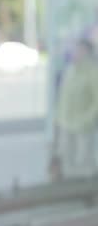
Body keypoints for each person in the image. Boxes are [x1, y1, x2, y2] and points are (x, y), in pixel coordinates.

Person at [51, 39, 98, 179]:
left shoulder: (93, 72)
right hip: (65, 124)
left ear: (87, 52)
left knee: (84, 163)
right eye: (75, 49)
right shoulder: (70, 70)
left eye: (79, 50)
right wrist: (57, 120)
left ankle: (87, 192)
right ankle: (71, 190)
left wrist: (88, 118)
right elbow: (62, 97)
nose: (76, 53)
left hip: (83, 126)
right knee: (67, 161)